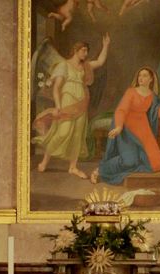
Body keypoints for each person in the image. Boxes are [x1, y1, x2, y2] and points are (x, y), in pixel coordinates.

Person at [32, 36, 111, 179]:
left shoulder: (85, 66)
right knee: (62, 132)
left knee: (77, 135)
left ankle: (73, 167)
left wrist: (105, 45)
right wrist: (58, 106)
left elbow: (100, 62)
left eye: (87, 51)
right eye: (84, 51)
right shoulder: (64, 65)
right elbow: (56, 88)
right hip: (67, 102)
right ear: (76, 50)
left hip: (82, 103)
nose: (86, 54)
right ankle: (44, 162)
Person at [91, 66, 160, 185]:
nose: (141, 78)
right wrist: (118, 127)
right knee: (129, 161)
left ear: (151, 79)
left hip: (144, 130)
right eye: (140, 75)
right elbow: (121, 110)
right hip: (127, 130)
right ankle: (101, 170)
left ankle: (128, 168)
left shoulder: (152, 96)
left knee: (156, 164)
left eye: (145, 76)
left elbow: (158, 113)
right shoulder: (131, 92)